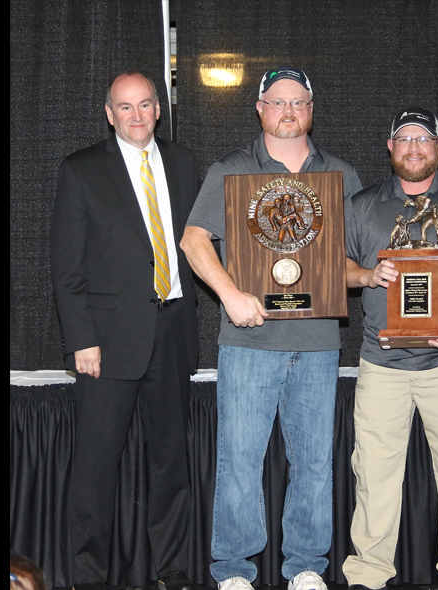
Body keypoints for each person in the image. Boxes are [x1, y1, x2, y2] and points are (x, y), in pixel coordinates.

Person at [180, 66, 363, 590]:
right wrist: (230, 295)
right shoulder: (232, 169)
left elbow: (350, 259)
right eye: (278, 101)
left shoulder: (340, 174)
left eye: (298, 102)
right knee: (240, 461)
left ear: (311, 110)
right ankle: (234, 571)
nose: (288, 111)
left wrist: (370, 274)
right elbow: (193, 240)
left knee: (314, 463)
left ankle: (306, 566)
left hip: (318, 342)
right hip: (249, 342)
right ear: (260, 109)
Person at [51, 71, 198, 590]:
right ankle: (88, 576)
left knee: (171, 463)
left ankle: (173, 569)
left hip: (174, 332)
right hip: (107, 342)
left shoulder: (184, 163)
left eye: (145, 104)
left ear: (159, 108)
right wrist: (81, 340)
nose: (137, 116)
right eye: (125, 107)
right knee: (95, 467)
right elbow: (67, 268)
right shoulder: (82, 169)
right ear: (110, 114)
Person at [343, 107, 438, 590]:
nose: (414, 147)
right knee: (374, 473)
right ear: (390, 147)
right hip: (381, 365)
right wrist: (367, 275)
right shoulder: (361, 205)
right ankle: (369, 572)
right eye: (404, 139)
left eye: (423, 139)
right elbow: (336, 266)